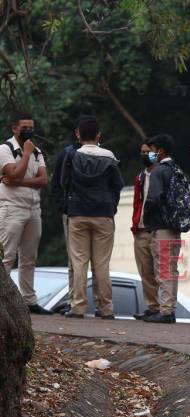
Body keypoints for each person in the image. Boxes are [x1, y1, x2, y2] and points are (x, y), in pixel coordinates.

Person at [61, 115, 124, 319]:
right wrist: (111, 206)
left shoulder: (72, 156)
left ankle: (78, 307)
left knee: (79, 262)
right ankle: (106, 308)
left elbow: (64, 182)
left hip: (78, 213)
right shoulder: (109, 156)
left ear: (79, 135)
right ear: (98, 135)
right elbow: (118, 185)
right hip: (103, 213)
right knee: (102, 263)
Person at [0, 112, 51, 314]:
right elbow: (13, 173)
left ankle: (29, 301)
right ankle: (3, 301)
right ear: (14, 128)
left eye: (31, 127)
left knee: (29, 257)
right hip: (11, 208)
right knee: (7, 256)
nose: (29, 131)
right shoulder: (5, 149)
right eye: (24, 127)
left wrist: (17, 181)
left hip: (33, 209)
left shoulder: (37, 151)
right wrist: (26, 154)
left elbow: (43, 180)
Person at [51, 129, 100, 308]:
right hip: (79, 212)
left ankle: (82, 304)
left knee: (85, 261)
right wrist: (63, 206)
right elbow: (58, 182)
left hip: (84, 212)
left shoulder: (101, 154)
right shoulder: (69, 153)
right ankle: (77, 301)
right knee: (79, 261)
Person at [142, 134, 188, 324]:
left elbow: (154, 198)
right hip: (174, 226)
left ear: (159, 151)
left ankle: (166, 311)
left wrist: (147, 217)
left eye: (152, 150)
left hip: (161, 227)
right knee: (171, 269)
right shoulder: (176, 169)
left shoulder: (159, 171)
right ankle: (169, 308)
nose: (150, 154)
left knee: (162, 270)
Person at [131, 139, 161, 320]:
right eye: (142, 152)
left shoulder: (163, 174)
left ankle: (164, 308)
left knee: (161, 271)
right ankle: (152, 307)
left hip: (157, 228)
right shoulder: (140, 177)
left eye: (148, 151)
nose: (145, 155)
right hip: (141, 229)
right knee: (145, 271)